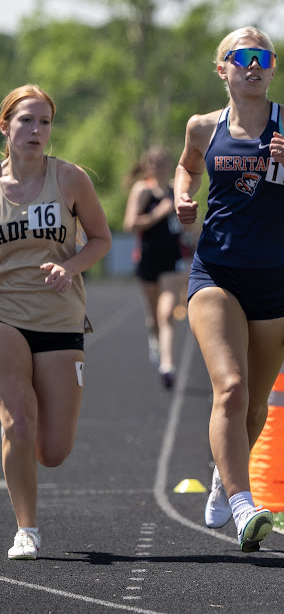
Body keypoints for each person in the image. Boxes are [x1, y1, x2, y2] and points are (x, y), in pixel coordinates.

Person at [174, 26, 284, 553]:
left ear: (272, 68)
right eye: (242, 56)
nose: (253, 65)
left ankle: (225, 473)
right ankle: (245, 504)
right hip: (216, 273)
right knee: (231, 388)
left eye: (263, 57)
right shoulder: (203, 126)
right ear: (221, 67)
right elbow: (186, 167)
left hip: (277, 280)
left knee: (255, 404)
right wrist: (183, 196)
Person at [0, 84, 112, 559]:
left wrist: (69, 267)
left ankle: (21, 446)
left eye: (44, 122)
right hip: (5, 314)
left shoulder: (69, 178)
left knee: (53, 450)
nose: (36, 130)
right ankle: (26, 529)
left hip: (60, 318)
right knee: (18, 422)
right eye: (26, 120)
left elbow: (101, 240)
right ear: (4, 126)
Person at [123, 146, 188, 389]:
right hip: (148, 258)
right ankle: (154, 338)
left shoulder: (175, 189)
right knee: (154, 318)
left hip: (172, 260)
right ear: (147, 166)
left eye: (163, 162)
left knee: (167, 313)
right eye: (154, 163)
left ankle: (167, 365)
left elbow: (187, 224)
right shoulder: (143, 190)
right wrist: (159, 213)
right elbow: (130, 224)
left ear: (170, 165)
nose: (159, 167)